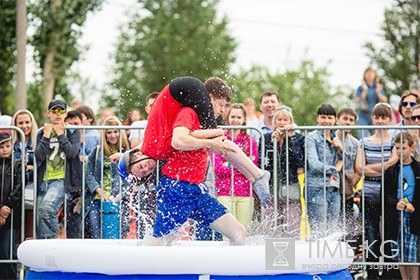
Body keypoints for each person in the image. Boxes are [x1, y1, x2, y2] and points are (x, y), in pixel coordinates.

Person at [139, 76, 271, 206]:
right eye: (221, 105)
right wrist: (216, 134)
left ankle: (258, 175)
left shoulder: (152, 148)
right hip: (184, 87)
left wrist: (215, 136)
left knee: (219, 140)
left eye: (224, 106)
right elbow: (187, 136)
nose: (222, 110)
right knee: (218, 139)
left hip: (186, 87)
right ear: (211, 96)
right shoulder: (153, 147)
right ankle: (256, 177)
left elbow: (180, 139)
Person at [148, 77, 247, 245]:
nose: (222, 111)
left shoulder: (204, 120)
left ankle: (230, 270)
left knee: (238, 232)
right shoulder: (188, 112)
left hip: (197, 191)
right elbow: (178, 141)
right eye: (221, 105)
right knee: (161, 244)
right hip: (176, 188)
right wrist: (210, 142)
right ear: (209, 98)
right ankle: (142, 270)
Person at [355, 103, 399, 279]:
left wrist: (370, 168)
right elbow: (359, 168)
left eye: (384, 117)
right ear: (372, 118)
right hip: (369, 194)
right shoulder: (363, 142)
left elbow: (392, 165)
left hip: (388, 195)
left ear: (389, 119)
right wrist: (384, 165)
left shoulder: (395, 142)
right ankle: (372, 275)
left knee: (389, 237)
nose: (380, 121)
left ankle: (389, 275)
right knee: (371, 237)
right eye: (377, 117)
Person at [35, 99, 83, 239]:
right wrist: (46, 136)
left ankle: (54, 244)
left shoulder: (72, 131)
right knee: (40, 219)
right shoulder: (42, 132)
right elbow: (39, 156)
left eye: (61, 111)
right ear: (48, 113)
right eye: (54, 111)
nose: (58, 114)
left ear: (65, 113)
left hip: (61, 179)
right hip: (43, 180)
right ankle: (47, 254)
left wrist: (61, 134)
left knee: (46, 209)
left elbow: (72, 153)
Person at [261, 106, 305, 238]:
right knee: (272, 225)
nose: (282, 123)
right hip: (271, 186)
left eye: (285, 120)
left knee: (292, 224)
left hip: (290, 185)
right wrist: (273, 143)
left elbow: (299, 162)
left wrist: (289, 139)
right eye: (279, 119)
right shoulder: (266, 137)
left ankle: (293, 254)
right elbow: (263, 163)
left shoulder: (298, 139)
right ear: (274, 122)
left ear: (291, 122)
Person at [214, 103, 258, 232]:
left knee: (245, 231)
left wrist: (227, 163)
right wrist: (242, 162)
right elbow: (218, 169)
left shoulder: (250, 141)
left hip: (245, 192)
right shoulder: (219, 139)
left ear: (244, 120)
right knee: (228, 233)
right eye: (232, 116)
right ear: (227, 118)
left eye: (239, 117)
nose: (235, 120)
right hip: (224, 191)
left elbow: (252, 168)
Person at [85, 116, 129, 239]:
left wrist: (122, 194)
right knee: (96, 234)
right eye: (109, 132)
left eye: (116, 131)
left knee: (118, 235)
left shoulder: (127, 152)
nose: (113, 135)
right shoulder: (97, 151)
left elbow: (132, 178)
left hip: (118, 199)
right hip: (97, 199)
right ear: (104, 134)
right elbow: (88, 174)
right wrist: (100, 191)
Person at [384, 132, 420, 280]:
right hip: (396, 219)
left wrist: (414, 205)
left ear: (412, 148)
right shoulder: (391, 170)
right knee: (399, 254)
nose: (399, 151)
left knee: (412, 255)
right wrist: (394, 203)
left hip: (412, 219)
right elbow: (385, 194)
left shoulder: (418, 168)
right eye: (397, 148)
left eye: (403, 148)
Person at [306, 104, 343, 239]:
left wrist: (342, 149)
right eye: (323, 117)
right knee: (318, 231)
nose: (326, 121)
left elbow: (345, 161)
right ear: (317, 118)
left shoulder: (336, 139)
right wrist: (333, 169)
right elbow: (314, 164)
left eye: (329, 117)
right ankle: (314, 260)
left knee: (332, 231)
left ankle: (327, 260)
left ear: (335, 120)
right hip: (316, 187)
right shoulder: (312, 137)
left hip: (334, 188)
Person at [11, 109, 38, 239]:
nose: (24, 126)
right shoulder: (11, 144)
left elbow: (39, 166)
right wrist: (27, 167)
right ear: (15, 124)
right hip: (15, 187)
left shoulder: (36, 142)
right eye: (20, 122)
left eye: (27, 122)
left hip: (32, 186)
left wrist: (28, 167)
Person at [335, 108, 360, 237]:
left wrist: (349, 189)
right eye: (345, 119)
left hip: (348, 192)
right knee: (333, 227)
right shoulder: (331, 138)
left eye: (351, 120)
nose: (348, 122)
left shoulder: (356, 143)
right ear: (337, 120)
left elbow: (358, 169)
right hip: (332, 191)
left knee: (347, 228)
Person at [0, 131, 22, 280]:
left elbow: (18, 188)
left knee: (7, 251)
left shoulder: (18, 164)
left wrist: (5, 208)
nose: (5, 149)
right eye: (1, 146)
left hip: (11, 216)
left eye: (8, 145)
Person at [355, 67, 387, 139]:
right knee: (362, 138)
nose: (369, 75)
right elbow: (358, 100)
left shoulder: (378, 86)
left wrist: (378, 92)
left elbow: (384, 100)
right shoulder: (361, 87)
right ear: (364, 75)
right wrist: (365, 91)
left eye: (371, 73)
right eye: (367, 73)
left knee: (377, 138)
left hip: (376, 116)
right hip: (363, 116)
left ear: (375, 75)